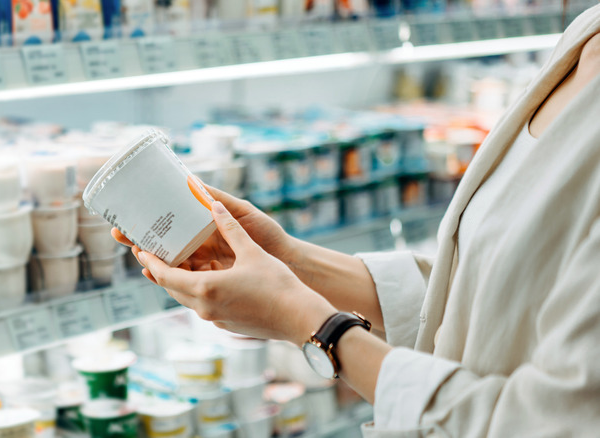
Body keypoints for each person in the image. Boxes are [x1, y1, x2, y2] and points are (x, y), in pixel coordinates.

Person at [113, 5, 600, 436]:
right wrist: (293, 261)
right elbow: (495, 293)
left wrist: (310, 324)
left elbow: (552, 422)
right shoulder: (586, 33)